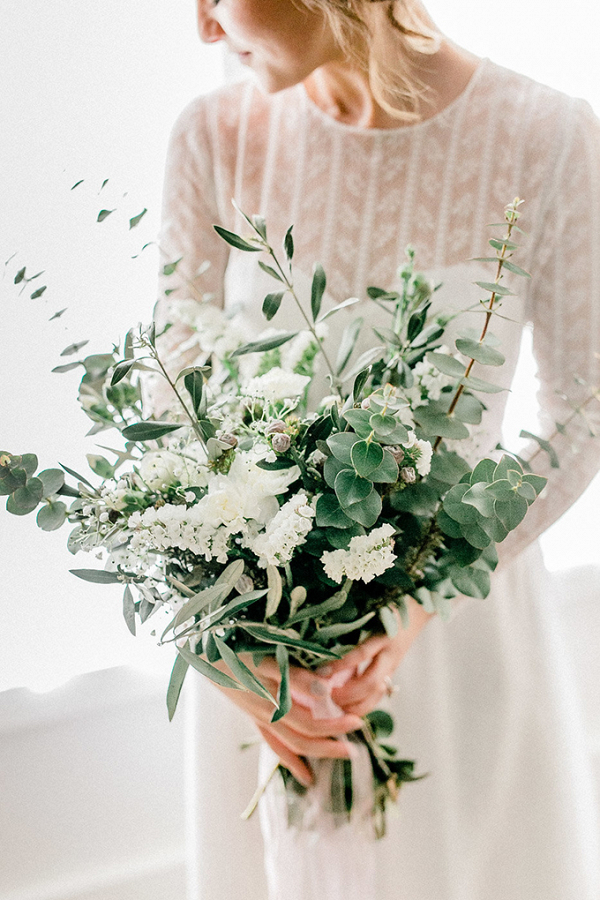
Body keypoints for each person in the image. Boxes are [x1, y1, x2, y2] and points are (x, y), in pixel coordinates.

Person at [157, 1, 600, 897]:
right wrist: (223, 646)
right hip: (261, 670)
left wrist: (421, 599)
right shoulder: (214, 134)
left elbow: (583, 408)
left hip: (453, 651)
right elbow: (174, 406)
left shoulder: (545, 136)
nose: (204, 28)